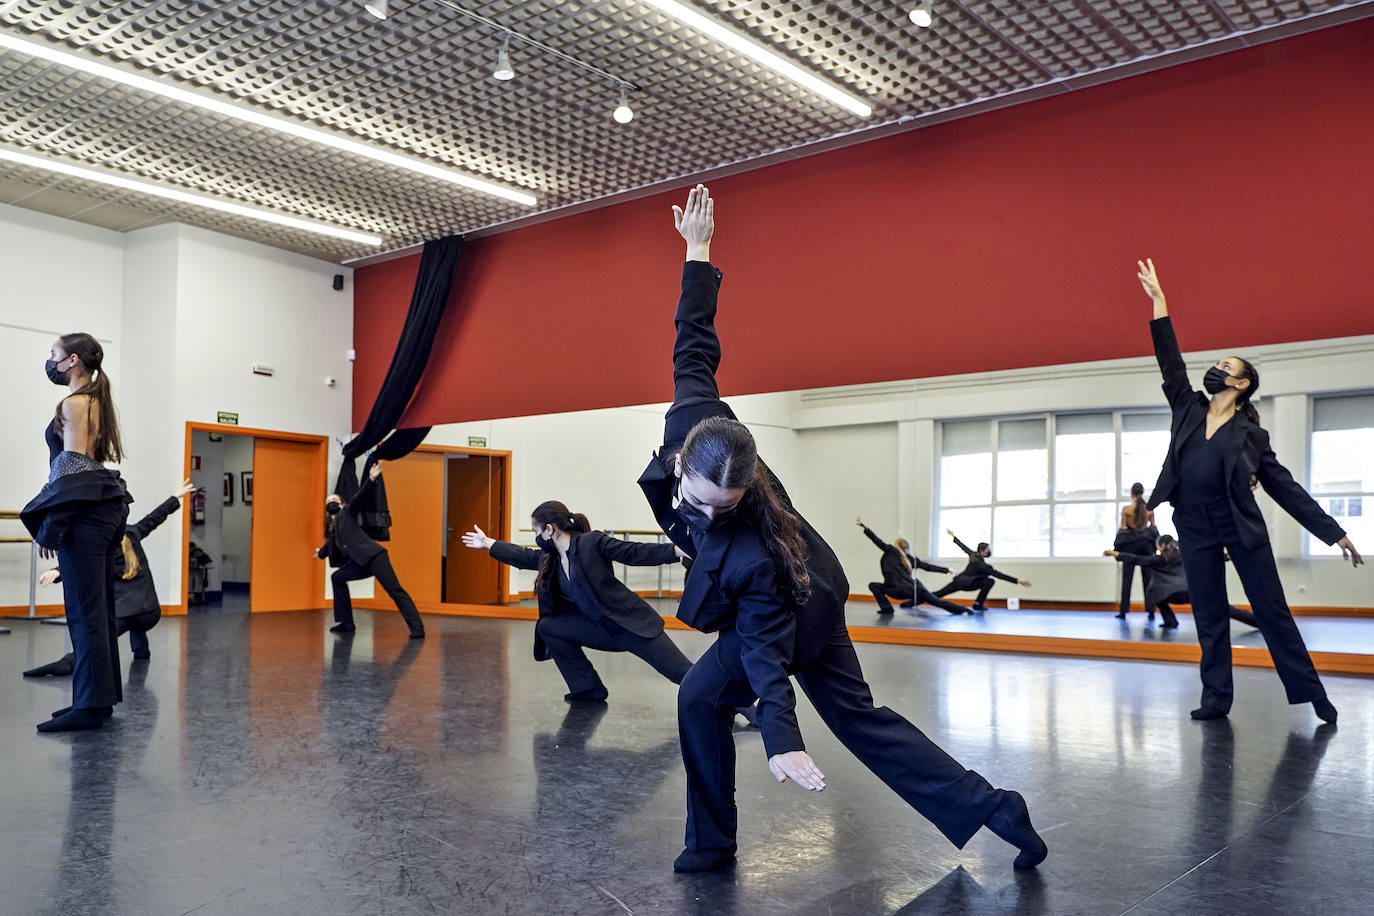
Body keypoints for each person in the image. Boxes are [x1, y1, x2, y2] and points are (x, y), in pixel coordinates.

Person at [637, 185, 1046, 873]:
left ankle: (710, 844)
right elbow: (694, 344)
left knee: (699, 696)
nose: (709, 516)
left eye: (726, 507)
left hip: (790, 600)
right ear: (683, 459)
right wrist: (697, 251)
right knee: (858, 718)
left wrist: (781, 739)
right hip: (817, 588)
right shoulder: (693, 418)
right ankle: (997, 808)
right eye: (700, 502)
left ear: (748, 488)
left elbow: (764, 652)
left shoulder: (753, 549)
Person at [1136, 258, 1362, 722]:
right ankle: (1216, 699)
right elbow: (1170, 363)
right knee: (1209, 615)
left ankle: (1312, 694)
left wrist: (1333, 532)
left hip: (1238, 525)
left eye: (1225, 367)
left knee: (1272, 611)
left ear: (1240, 384)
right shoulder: (1187, 408)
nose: (1215, 369)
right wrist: (1160, 304)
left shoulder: (1252, 436)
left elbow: (1286, 490)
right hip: (1193, 525)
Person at [461, 501, 697, 702]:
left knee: (682, 674)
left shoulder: (590, 543)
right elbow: (523, 556)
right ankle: (587, 689)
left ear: (550, 529)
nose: (536, 537)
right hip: (599, 629)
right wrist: (488, 543)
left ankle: (720, 701)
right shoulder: (551, 557)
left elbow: (632, 552)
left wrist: (677, 551)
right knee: (549, 627)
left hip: (631, 626)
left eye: (536, 531)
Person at [20, 333, 131, 732]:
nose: (50, 361)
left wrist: (53, 525)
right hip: (103, 510)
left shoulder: (74, 403)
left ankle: (88, 708)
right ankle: (99, 702)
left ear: (73, 362)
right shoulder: (96, 402)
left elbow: (72, 469)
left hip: (86, 514)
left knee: (84, 614)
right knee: (98, 611)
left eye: (54, 354)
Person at [23, 478, 195, 677]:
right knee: (136, 615)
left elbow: (83, 561)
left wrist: (58, 571)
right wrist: (175, 496)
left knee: (97, 639)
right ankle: (141, 651)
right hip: (151, 613)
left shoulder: (105, 550)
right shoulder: (133, 532)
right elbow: (155, 517)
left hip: (124, 614)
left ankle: (67, 663)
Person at [314, 461, 424, 638]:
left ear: (342, 504)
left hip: (375, 557)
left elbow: (358, 498)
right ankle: (346, 623)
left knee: (395, 590)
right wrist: (320, 554)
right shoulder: (334, 527)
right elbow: (330, 544)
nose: (331, 503)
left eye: (334, 500)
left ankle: (417, 629)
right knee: (337, 577)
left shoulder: (347, 513)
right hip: (360, 563)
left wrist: (371, 479)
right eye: (328, 502)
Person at [1105, 535, 1258, 630]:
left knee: (1153, 591)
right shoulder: (1186, 553)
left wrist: (1116, 553)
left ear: (1159, 547)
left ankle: (1170, 621)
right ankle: (1257, 621)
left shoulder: (1158, 559)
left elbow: (1136, 559)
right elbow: (1208, 557)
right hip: (1193, 591)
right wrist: (1228, 556)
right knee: (1226, 609)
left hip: (1172, 595)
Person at [855, 517, 966, 615]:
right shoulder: (909, 559)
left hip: (893, 590)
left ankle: (887, 608)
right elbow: (928, 567)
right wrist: (947, 570)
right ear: (906, 548)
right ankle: (964, 610)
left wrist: (866, 528)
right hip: (911, 590)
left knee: (874, 586)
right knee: (936, 601)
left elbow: (877, 541)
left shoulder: (890, 551)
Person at [933, 531, 1031, 611]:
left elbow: (963, 547)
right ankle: (978, 604)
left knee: (939, 593)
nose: (989, 551)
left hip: (959, 581)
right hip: (968, 584)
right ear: (982, 551)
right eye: (988, 549)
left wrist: (953, 536)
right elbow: (999, 575)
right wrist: (1018, 581)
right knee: (990, 581)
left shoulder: (973, 555)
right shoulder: (983, 566)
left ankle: (925, 597)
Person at [1113, 482, 1159, 619]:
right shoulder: (1149, 510)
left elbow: (1122, 528)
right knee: (1148, 578)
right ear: (1142, 492)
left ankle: (1123, 611)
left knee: (1127, 578)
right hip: (1146, 546)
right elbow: (1154, 528)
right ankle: (1151, 611)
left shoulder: (1126, 509)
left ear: (1132, 493)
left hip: (1130, 545)